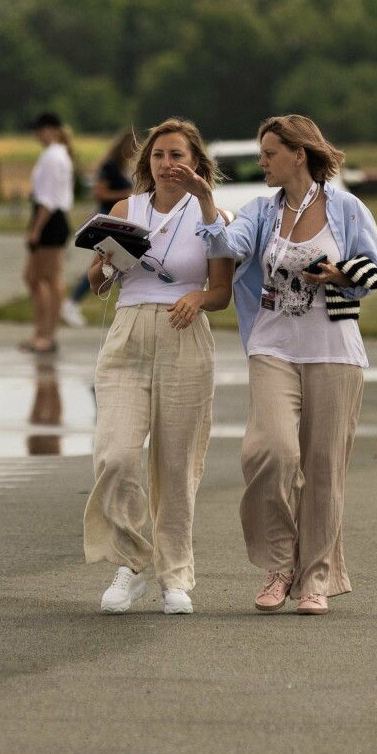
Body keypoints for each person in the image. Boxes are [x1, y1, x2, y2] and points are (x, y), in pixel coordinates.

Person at [171, 114, 377, 617]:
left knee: (324, 470)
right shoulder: (260, 211)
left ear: (298, 155)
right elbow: (227, 247)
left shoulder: (348, 209)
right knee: (268, 452)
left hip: (334, 352)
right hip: (272, 348)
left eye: (269, 154)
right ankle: (279, 562)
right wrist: (206, 202)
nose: (262, 162)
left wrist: (338, 274)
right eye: (262, 154)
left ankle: (315, 580)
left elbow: (373, 272)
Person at [82, 118, 234, 615]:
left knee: (176, 464)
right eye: (159, 156)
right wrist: (109, 265)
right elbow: (97, 281)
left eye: (178, 156)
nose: (168, 165)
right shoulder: (127, 209)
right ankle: (130, 563)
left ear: (196, 162)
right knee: (117, 455)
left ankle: (175, 576)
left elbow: (222, 292)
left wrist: (197, 296)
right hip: (127, 336)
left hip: (184, 335)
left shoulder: (212, 215)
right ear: (147, 163)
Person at [62, 127, 138, 328]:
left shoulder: (124, 168)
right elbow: (99, 194)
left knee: (121, 265)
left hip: (123, 223)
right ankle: (72, 302)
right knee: (103, 265)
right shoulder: (110, 167)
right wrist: (127, 193)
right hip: (108, 221)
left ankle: (127, 306)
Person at [20, 112, 75, 354]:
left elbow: (49, 199)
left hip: (49, 219)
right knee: (33, 277)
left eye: (41, 129)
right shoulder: (52, 154)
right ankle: (41, 330)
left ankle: (48, 334)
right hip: (45, 217)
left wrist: (36, 229)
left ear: (52, 129)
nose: (37, 134)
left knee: (51, 278)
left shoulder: (54, 156)